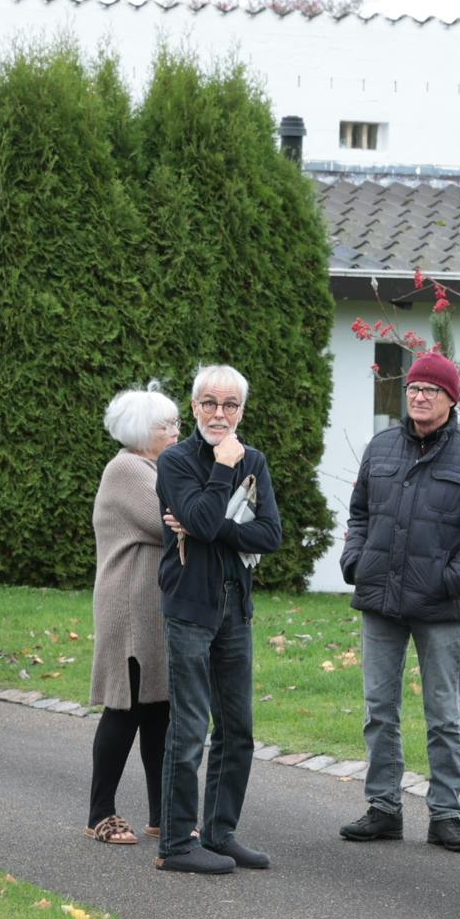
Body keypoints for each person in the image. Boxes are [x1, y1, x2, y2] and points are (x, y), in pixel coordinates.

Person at [337, 349, 460, 854]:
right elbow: (358, 513)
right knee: (379, 708)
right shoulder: (381, 447)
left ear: (452, 399)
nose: (419, 396)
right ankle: (383, 807)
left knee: (443, 712)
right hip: (380, 596)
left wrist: (454, 579)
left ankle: (446, 814)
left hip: (440, 604)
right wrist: (355, 561)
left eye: (431, 390)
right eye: (413, 389)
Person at [153, 363, 282, 876]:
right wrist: (223, 471)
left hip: (236, 605)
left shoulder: (256, 460)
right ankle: (177, 844)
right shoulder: (176, 461)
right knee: (188, 727)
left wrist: (213, 524)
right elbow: (202, 522)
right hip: (190, 604)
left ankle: (220, 831)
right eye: (210, 403)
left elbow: (269, 535)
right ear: (194, 407)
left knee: (238, 726)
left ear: (242, 410)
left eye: (231, 405)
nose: (220, 414)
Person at [85, 386, 179, 845]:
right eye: (168, 425)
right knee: (125, 709)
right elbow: (169, 521)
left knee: (159, 710)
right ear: (144, 431)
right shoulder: (127, 468)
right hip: (129, 606)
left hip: (154, 608)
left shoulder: (157, 467)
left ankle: (163, 815)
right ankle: (100, 812)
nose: (177, 432)